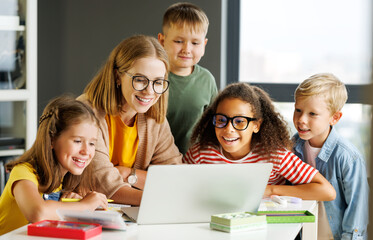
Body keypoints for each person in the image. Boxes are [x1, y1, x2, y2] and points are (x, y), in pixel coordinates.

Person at [183, 83, 336, 201]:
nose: (229, 129)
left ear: (256, 125)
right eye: (221, 120)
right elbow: (179, 188)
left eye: (240, 121)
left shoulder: (275, 156)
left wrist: (270, 190)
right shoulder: (200, 154)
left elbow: (327, 191)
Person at [78, 35, 182, 206]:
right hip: (84, 214)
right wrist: (157, 199)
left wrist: (128, 174)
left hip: (127, 215)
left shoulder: (154, 118)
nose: (149, 91)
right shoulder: (85, 112)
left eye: (158, 82)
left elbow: (175, 177)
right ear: (118, 76)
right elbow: (101, 182)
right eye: (140, 80)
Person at [0, 96, 108, 235]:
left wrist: (72, 205)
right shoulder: (23, 172)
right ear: (52, 140)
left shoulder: (64, 179)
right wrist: (84, 206)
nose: (86, 151)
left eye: (92, 143)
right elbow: (38, 213)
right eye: (77, 141)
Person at [292, 73, 368, 240]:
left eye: (312, 114)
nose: (301, 119)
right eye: (298, 110)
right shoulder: (291, 148)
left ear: (335, 118)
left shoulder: (348, 157)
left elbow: (357, 212)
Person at [158, 2, 218, 154]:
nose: (187, 49)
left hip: (195, 160)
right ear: (162, 41)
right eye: (178, 41)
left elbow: (215, 124)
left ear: (204, 45)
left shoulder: (207, 80)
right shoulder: (153, 78)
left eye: (195, 43)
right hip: (156, 159)